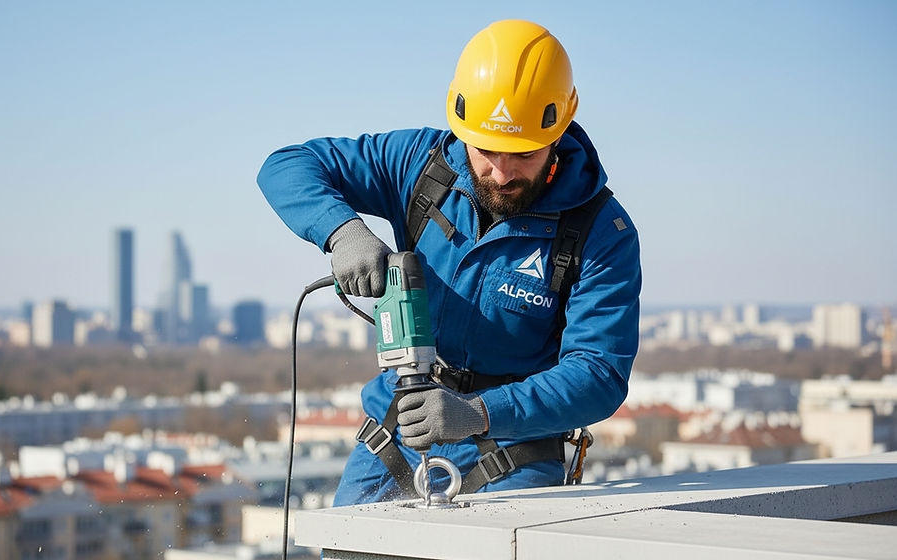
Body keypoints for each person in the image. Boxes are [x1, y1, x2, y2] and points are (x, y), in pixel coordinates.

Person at [257, 19, 641, 506]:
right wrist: (342, 231)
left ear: (558, 130)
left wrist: (479, 412)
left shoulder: (600, 232)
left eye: (522, 154)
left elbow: (598, 374)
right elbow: (286, 165)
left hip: (508, 449)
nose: (501, 173)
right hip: (396, 429)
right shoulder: (421, 165)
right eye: (486, 150)